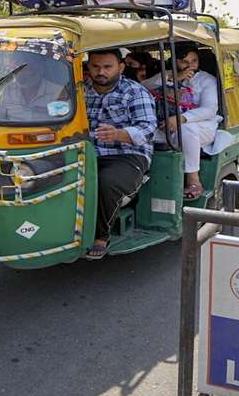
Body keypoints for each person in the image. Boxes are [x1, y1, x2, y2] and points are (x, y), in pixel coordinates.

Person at [83, 48, 158, 260]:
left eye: (107, 67)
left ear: (121, 67)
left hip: (127, 154)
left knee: (106, 182)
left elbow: (148, 129)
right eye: (96, 66)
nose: (101, 72)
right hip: (85, 152)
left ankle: (100, 236)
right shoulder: (78, 90)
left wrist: (119, 134)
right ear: (88, 67)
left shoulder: (135, 92)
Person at [143, 43, 222, 200]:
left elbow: (209, 109)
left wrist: (181, 119)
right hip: (166, 124)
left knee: (185, 130)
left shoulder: (207, 80)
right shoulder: (167, 75)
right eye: (184, 61)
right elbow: (142, 87)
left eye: (194, 61)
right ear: (175, 61)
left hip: (200, 126)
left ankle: (193, 180)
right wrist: (174, 78)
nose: (190, 66)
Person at [0, 52, 68, 121]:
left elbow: (63, 123)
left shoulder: (57, 92)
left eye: (27, 69)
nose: (20, 73)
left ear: (40, 70)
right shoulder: (9, 90)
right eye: (17, 69)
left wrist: (46, 110)